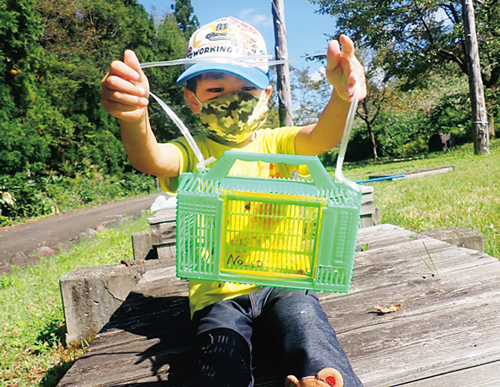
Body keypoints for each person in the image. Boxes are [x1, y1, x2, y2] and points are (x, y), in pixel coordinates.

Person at [102, 16, 366, 387]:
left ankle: (323, 381)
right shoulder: (193, 153)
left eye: (246, 88)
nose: (232, 100)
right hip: (217, 293)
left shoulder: (278, 144)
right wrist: (133, 119)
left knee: (307, 322)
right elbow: (151, 158)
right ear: (192, 100)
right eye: (215, 90)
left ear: (266, 97)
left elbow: (323, 135)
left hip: (284, 281)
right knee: (220, 352)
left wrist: (341, 97)